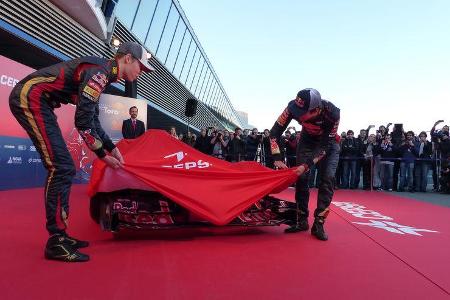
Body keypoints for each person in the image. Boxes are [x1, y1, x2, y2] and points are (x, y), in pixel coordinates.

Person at [9, 41, 155, 262]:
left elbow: (93, 120)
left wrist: (112, 148)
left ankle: (61, 236)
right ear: (127, 59)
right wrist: (103, 155)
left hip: (40, 102)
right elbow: (83, 122)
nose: (141, 72)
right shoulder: (100, 73)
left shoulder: (104, 73)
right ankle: (56, 241)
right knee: (61, 167)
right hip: (30, 97)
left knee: (64, 167)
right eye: (140, 67)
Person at [269, 88, 340, 241]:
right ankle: (301, 220)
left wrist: (306, 165)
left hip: (328, 144)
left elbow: (324, 147)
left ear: (316, 110)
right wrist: (277, 156)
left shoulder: (332, 113)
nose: (297, 114)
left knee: (327, 179)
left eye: (302, 111)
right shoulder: (291, 108)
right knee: (301, 178)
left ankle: (319, 223)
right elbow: (274, 133)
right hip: (307, 141)